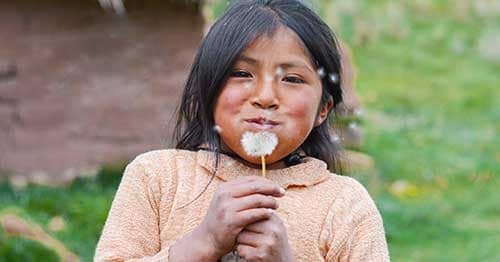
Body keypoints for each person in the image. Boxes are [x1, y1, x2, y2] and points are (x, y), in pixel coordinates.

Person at [94, 0, 389, 261]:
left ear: (323, 109)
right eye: (241, 74)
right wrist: (202, 244)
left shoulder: (344, 204)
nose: (265, 96)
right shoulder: (157, 178)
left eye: (293, 79)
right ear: (207, 93)